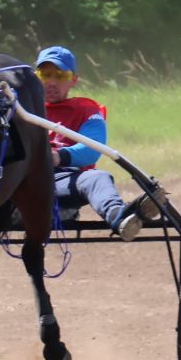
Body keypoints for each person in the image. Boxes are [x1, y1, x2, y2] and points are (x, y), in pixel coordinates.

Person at [36, 46, 142, 240]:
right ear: (36, 76)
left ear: (73, 80)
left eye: (59, 75)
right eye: (45, 74)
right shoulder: (19, 108)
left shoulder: (86, 110)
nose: (51, 82)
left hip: (64, 183)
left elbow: (92, 149)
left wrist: (57, 157)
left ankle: (119, 217)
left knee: (97, 177)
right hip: (19, 183)